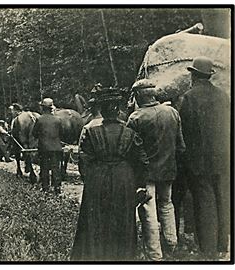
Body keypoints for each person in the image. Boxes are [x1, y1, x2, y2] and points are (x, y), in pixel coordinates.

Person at [71, 87, 150, 261]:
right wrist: (139, 185)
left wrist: (90, 179)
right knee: (122, 218)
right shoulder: (130, 133)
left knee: (96, 219)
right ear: (117, 109)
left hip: (97, 179)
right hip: (123, 179)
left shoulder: (91, 132)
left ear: (102, 110)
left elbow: (83, 160)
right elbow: (142, 161)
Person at [127, 79, 186, 261]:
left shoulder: (135, 118)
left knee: (148, 210)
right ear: (153, 95)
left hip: (146, 173)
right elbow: (181, 146)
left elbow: (130, 150)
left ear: (137, 96)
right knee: (167, 205)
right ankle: (172, 245)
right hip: (168, 170)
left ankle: (155, 255)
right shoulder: (172, 112)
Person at [179, 56, 230, 258]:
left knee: (205, 201)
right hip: (223, 158)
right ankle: (222, 245)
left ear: (194, 75)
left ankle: (208, 250)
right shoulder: (223, 96)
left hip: (199, 160)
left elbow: (185, 130)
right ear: (208, 75)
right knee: (222, 198)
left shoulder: (189, 98)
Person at [32, 98, 63, 194]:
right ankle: (57, 188)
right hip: (56, 147)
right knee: (56, 168)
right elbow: (61, 134)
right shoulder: (58, 120)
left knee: (44, 167)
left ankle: (45, 188)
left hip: (44, 148)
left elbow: (34, 133)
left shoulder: (39, 119)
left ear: (43, 108)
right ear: (51, 108)